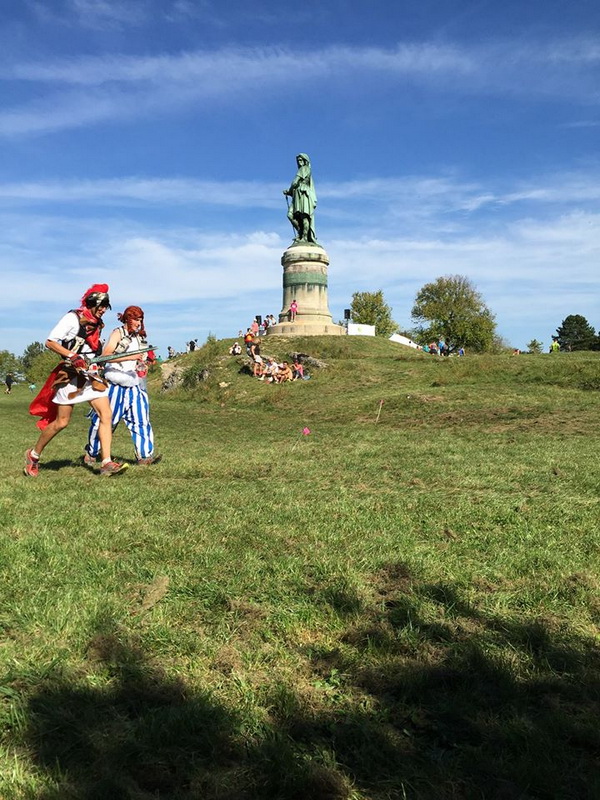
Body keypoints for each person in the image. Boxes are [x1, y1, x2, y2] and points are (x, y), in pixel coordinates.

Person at [25, 284, 125, 477]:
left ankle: (106, 462)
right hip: (71, 376)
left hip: (91, 374)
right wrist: (72, 356)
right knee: (61, 422)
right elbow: (50, 342)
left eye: (106, 306)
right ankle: (34, 455)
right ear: (92, 303)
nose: (104, 310)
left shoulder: (97, 322)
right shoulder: (72, 318)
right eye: (102, 305)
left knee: (106, 414)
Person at [86, 305, 161, 467]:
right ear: (128, 318)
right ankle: (92, 453)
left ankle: (145, 456)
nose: (138, 323)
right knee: (106, 421)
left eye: (140, 319)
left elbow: (138, 359)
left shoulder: (139, 338)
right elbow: (104, 357)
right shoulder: (117, 333)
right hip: (115, 384)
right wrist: (129, 357)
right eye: (135, 319)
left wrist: (142, 363)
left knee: (141, 420)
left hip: (134, 384)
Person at [283, 153, 318, 244]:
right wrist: (290, 192)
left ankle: (304, 237)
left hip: (303, 194)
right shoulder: (302, 169)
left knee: (304, 216)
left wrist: (289, 190)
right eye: (298, 160)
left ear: (305, 161)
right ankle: (300, 232)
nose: (299, 162)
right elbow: (296, 185)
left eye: (301, 160)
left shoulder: (304, 169)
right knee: (290, 215)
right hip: (297, 195)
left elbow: (295, 182)